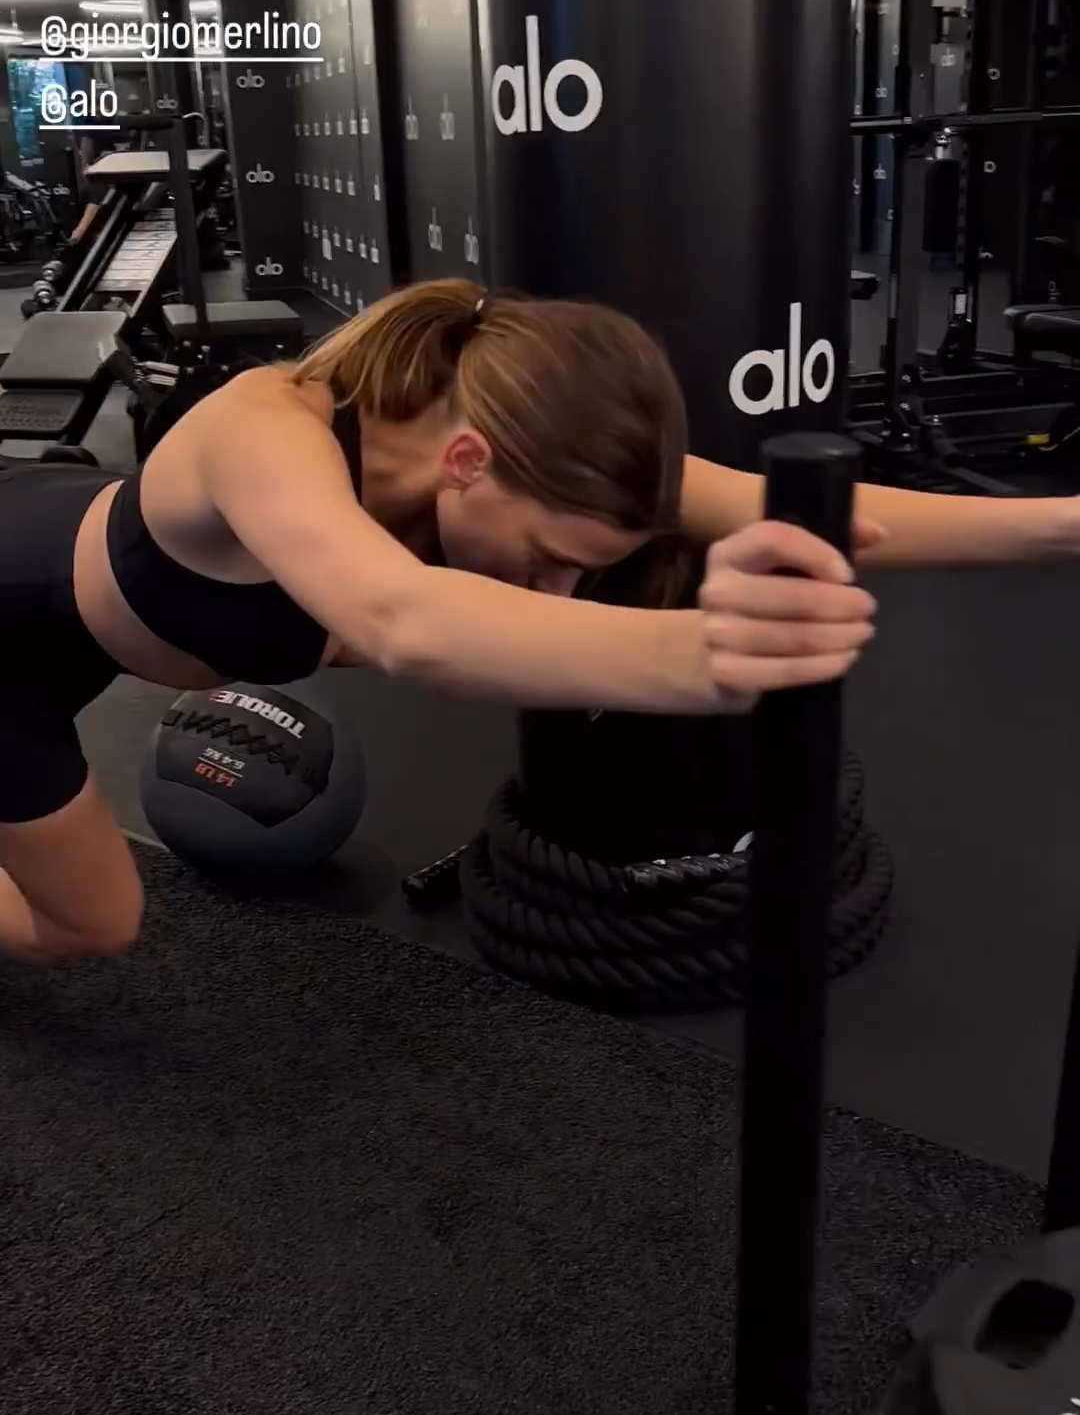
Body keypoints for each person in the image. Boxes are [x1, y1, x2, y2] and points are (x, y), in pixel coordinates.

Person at [0, 276, 1068, 969]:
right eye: (551, 559)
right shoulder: (263, 426)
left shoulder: (526, 457)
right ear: (469, 462)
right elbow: (405, 619)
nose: (557, 592)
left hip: (73, 573)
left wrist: (1065, 527)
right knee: (93, 925)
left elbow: (812, 512)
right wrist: (707, 654)